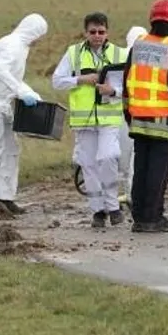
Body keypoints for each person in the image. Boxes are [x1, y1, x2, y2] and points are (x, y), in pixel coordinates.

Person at [122, 0, 168, 233]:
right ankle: (153, 218)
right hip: (164, 122)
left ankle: (139, 218)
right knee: (158, 172)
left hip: (138, 120)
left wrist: (128, 113)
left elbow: (127, 81)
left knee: (141, 169)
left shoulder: (138, 45)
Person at [50, 12, 128, 227]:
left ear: (107, 32)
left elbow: (129, 87)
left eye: (101, 32)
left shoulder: (120, 54)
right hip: (83, 121)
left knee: (108, 157)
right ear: (86, 32)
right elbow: (57, 81)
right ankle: (98, 211)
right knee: (89, 164)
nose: (97, 36)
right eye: (92, 31)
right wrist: (80, 79)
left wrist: (113, 91)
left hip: (109, 118)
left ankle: (113, 206)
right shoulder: (73, 53)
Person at [0, 13, 48, 214]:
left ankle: (6, 196)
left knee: (11, 149)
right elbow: (1, 70)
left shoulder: (21, 47)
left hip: (3, 102)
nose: (39, 40)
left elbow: (12, 77)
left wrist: (29, 92)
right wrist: (21, 91)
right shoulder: (11, 44)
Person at [117, 25, 148, 210]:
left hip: (119, 114)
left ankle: (116, 198)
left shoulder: (119, 55)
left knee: (121, 159)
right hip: (141, 114)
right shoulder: (146, 58)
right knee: (136, 158)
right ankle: (133, 196)